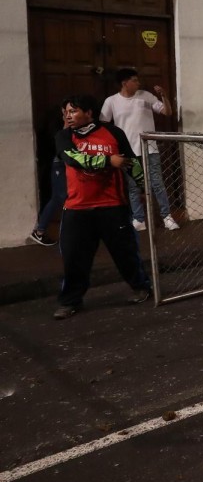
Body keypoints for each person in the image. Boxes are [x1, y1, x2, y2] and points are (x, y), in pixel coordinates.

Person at [53, 95, 153, 320]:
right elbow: (74, 159)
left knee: (125, 252)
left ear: (89, 113)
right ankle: (70, 301)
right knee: (74, 258)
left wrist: (142, 186)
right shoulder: (63, 136)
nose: (68, 115)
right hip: (77, 209)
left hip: (112, 206)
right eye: (66, 111)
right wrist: (109, 160)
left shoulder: (113, 133)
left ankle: (141, 287)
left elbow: (131, 162)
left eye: (74, 111)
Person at [101, 68, 179, 232]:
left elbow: (167, 112)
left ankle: (167, 217)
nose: (138, 83)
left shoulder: (146, 96)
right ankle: (139, 219)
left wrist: (164, 96)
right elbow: (104, 125)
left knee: (157, 183)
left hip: (149, 148)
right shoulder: (111, 101)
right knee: (133, 186)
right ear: (125, 83)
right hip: (128, 151)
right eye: (134, 80)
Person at [30, 101, 71, 246]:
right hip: (57, 162)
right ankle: (39, 231)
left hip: (64, 162)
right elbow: (59, 141)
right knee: (59, 197)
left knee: (66, 197)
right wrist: (66, 123)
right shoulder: (54, 122)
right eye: (68, 110)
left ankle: (69, 233)